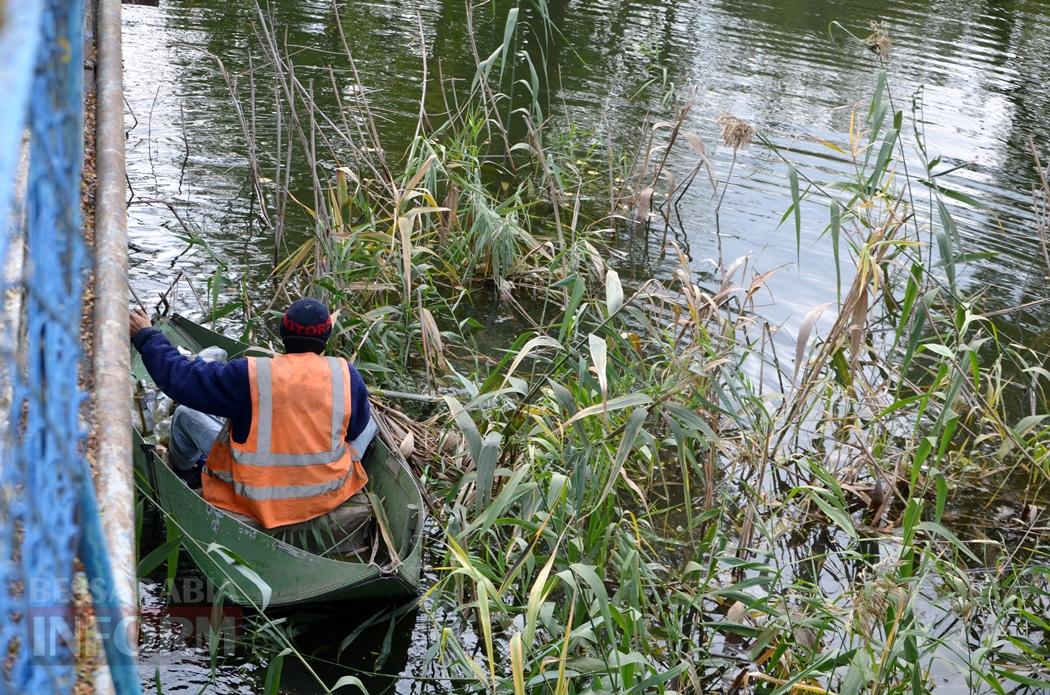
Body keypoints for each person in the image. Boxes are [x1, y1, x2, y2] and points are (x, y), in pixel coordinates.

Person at [130, 298, 376, 531]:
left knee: (185, 414)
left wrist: (147, 336)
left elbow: (181, 378)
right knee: (371, 420)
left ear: (283, 334)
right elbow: (354, 430)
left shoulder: (250, 375)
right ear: (326, 338)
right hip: (327, 494)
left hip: (256, 499)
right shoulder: (346, 375)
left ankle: (184, 473)